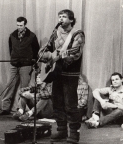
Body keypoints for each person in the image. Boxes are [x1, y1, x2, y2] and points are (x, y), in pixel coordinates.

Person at [39, 9, 85, 143]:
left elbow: (75, 54)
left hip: (70, 75)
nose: (61, 19)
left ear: (71, 20)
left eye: (64, 17)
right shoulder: (55, 33)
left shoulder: (77, 34)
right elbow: (45, 50)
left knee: (70, 105)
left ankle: (74, 134)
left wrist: (60, 56)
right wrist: (49, 57)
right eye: (59, 16)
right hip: (56, 74)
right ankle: (61, 131)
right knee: (57, 104)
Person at [0, 16, 40, 115]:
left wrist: (32, 62)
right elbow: (11, 49)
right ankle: (5, 108)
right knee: (10, 85)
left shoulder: (32, 36)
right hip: (14, 64)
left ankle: (20, 109)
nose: (19, 27)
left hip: (26, 65)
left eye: (21, 25)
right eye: (17, 25)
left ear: (25, 25)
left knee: (24, 87)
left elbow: (36, 50)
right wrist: (14, 59)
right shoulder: (12, 35)